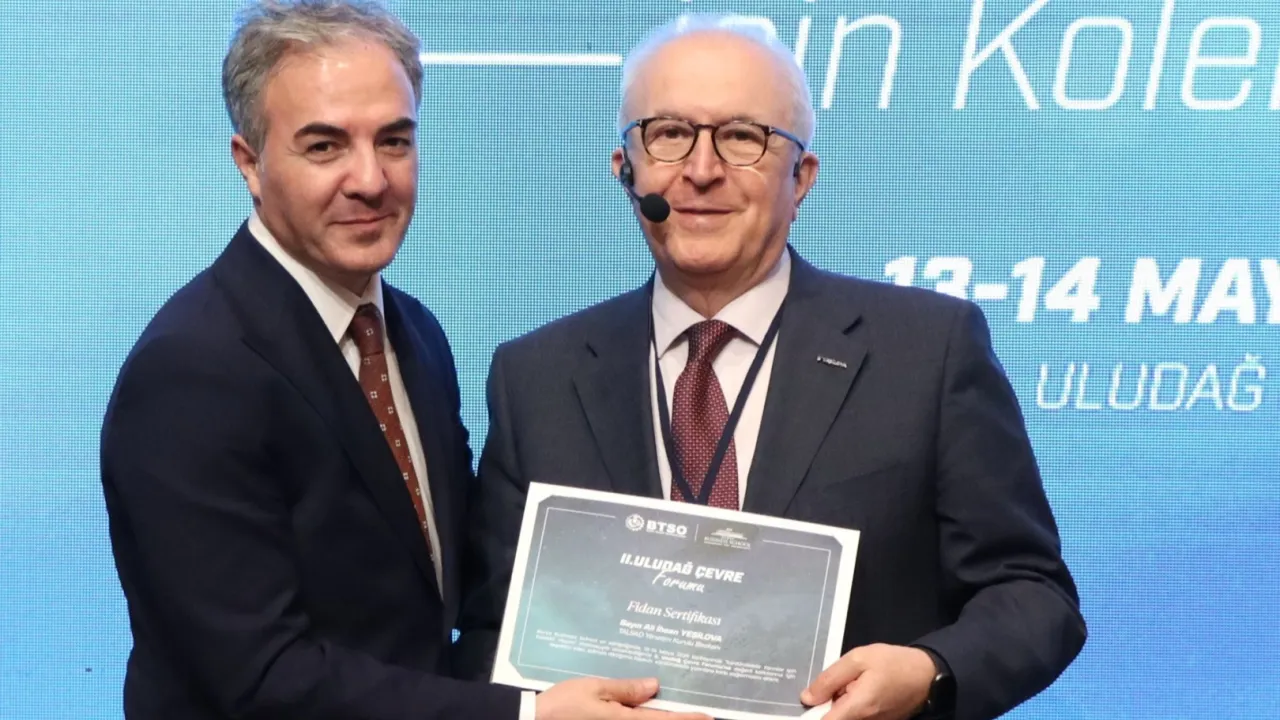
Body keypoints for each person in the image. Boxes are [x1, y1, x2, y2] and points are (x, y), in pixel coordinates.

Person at [457, 14, 1086, 720]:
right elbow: (489, 634)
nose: (701, 170)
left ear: (802, 177)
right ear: (625, 169)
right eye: (669, 133)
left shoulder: (928, 350)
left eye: (742, 137)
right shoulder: (535, 377)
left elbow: (1032, 594)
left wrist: (928, 671)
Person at [99, 2, 710, 719]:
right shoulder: (191, 372)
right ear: (250, 163)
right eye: (324, 146)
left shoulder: (411, 332)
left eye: (393, 141)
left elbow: (455, 579)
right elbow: (260, 678)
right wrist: (525, 716)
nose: (370, 179)